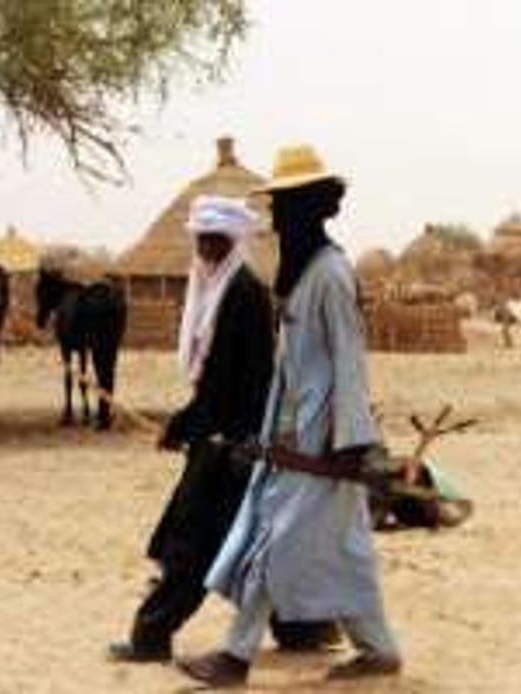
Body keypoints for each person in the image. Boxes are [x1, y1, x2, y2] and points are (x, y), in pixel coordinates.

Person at [178, 146, 402, 687]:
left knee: (272, 543)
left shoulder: (330, 275)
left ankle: (234, 656)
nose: (275, 219)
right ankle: (380, 651)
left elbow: (349, 359)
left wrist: (351, 441)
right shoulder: (302, 273)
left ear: (309, 209)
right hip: (293, 437)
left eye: (283, 207)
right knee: (347, 552)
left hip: (324, 443)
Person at [108, 195, 336, 663]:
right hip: (223, 438)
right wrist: (189, 424)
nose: (207, 247)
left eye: (216, 239)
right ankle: (304, 629)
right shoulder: (215, 288)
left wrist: (208, 432)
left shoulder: (243, 294)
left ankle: (151, 637)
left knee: (192, 540)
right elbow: (215, 380)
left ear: (233, 242)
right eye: (202, 239)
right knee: (252, 541)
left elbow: (249, 381)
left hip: (233, 445)